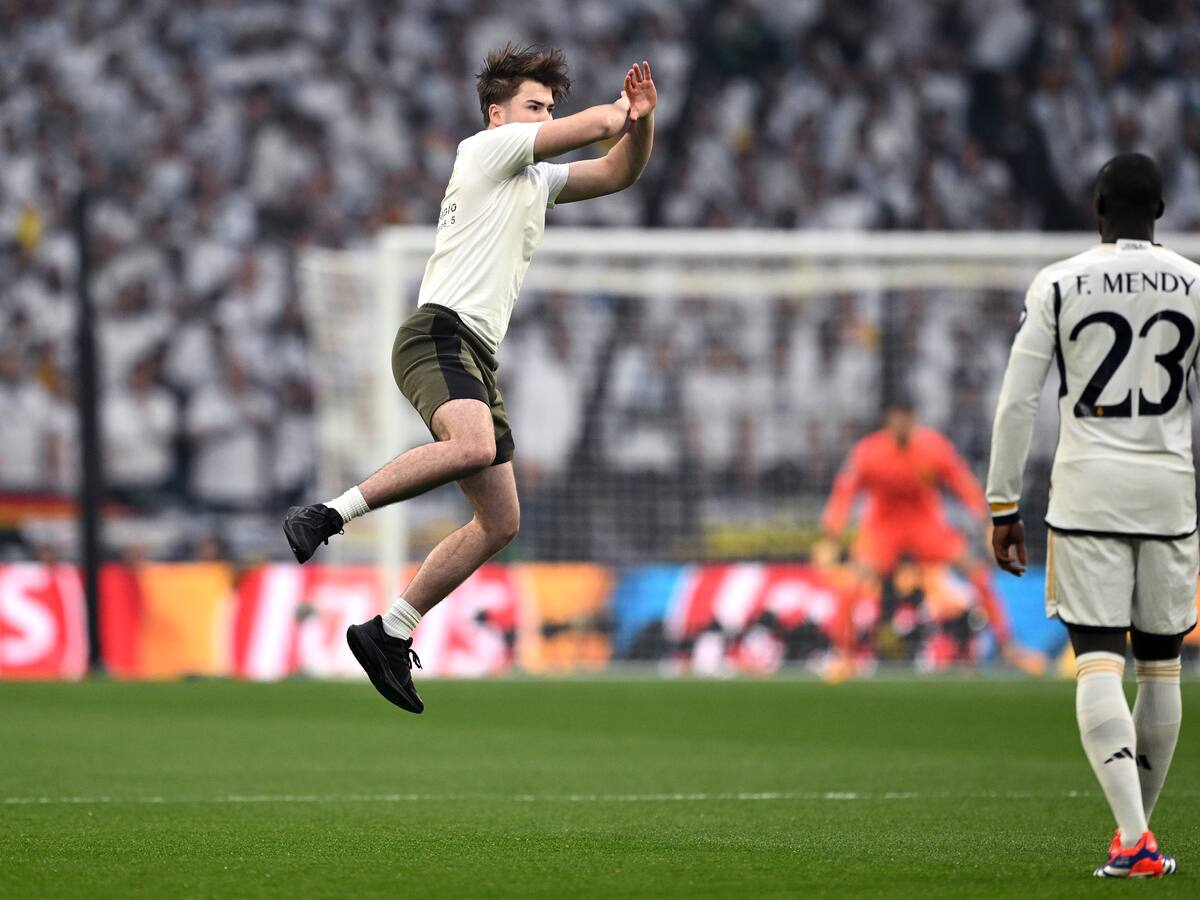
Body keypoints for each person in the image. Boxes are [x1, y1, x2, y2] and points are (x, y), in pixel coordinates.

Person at [283, 45, 657, 713]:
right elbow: (596, 130)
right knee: (474, 446)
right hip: (439, 333)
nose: (545, 117)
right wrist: (619, 110)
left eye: (549, 108)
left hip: (475, 352)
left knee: (500, 520)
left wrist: (643, 122)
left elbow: (619, 171)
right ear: (498, 114)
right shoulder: (485, 152)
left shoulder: (536, 182)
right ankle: (327, 514)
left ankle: (388, 630)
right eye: (535, 107)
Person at [988, 152, 1195, 878]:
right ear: (1162, 211)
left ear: (1097, 212)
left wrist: (1003, 503)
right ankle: (1133, 836)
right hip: (1170, 493)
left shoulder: (1060, 280)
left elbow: (1019, 399)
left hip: (1089, 493)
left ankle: (1135, 839)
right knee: (1162, 668)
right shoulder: (1197, 284)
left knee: (1099, 658)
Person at [820, 397, 1019, 677]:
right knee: (851, 583)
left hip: (925, 525)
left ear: (913, 418)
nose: (902, 423)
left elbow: (962, 482)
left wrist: (987, 521)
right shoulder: (869, 452)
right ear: (888, 420)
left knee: (976, 569)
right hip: (883, 528)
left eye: (907, 416)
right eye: (897, 416)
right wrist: (832, 532)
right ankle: (844, 654)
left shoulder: (933, 447)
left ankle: (1007, 646)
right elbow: (845, 491)